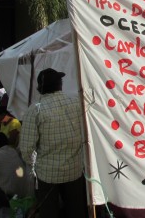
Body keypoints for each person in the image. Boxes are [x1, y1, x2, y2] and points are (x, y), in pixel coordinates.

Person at [20, 68, 87, 218]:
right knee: (76, 211)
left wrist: (34, 166)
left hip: (47, 175)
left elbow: (26, 148)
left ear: (40, 88)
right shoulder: (76, 103)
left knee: (49, 212)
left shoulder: (35, 110)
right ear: (60, 85)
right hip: (74, 171)